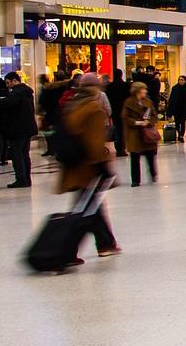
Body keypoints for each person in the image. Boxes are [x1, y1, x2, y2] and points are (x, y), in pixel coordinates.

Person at [57, 73, 119, 268]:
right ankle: (67, 251)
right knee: (84, 211)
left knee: (90, 207)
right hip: (88, 168)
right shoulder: (93, 109)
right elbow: (93, 144)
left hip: (74, 166)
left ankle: (105, 243)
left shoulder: (71, 104)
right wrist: (104, 168)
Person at [121, 82, 160, 186]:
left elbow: (154, 116)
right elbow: (125, 117)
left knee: (150, 156)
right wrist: (136, 122)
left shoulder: (148, 102)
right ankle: (135, 180)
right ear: (138, 91)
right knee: (135, 157)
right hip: (134, 133)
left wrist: (149, 122)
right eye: (144, 89)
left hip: (147, 133)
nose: (146, 91)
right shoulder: (128, 102)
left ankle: (153, 174)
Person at [105, 69, 131, 156]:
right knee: (123, 129)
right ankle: (122, 148)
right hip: (124, 110)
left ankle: (118, 148)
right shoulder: (126, 85)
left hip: (114, 110)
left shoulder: (109, 86)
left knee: (117, 129)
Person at [166, 75, 186, 143]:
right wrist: (169, 112)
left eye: (182, 80)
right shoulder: (175, 88)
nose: (180, 81)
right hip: (176, 108)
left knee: (183, 122)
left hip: (184, 109)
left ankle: (181, 135)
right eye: (179, 79)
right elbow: (171, 100)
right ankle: (179, 133)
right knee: (177, 123)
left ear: (185, 81)